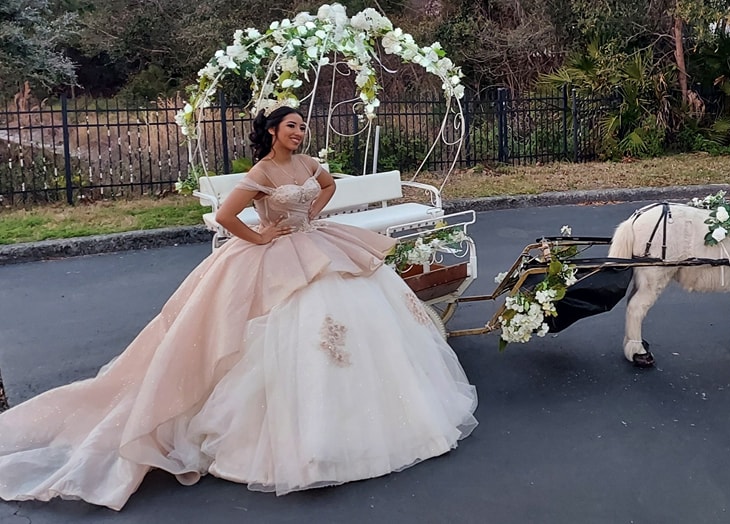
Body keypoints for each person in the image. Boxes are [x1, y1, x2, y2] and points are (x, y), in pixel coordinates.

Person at [0, 104, 478, 510]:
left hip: (319, 242)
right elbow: (228, 216)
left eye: (302, 126)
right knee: (282, 333)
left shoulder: (308, 164)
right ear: (272, 132)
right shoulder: (262, 172)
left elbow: (327, 186)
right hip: (280, 253)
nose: (299, 132)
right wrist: (263, 235)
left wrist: (309, 214)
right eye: (291, 126)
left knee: (364, 318)